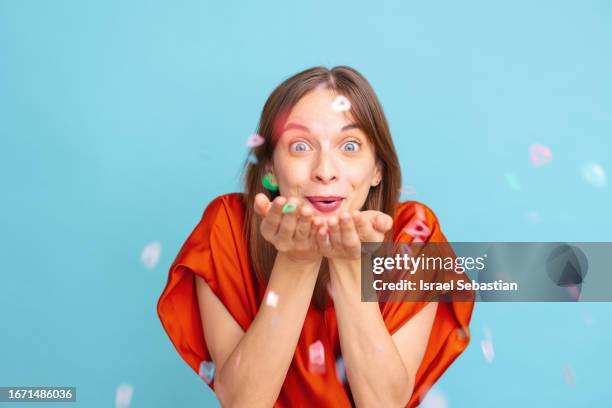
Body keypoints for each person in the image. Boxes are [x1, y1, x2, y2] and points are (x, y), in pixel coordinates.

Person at [157, 66, 474, 407]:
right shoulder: (228, 227)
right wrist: (296, 261)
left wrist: (350, 264)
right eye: (300, 146)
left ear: (378, 169)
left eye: (350, 146)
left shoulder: (415, 238)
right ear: (270, 169)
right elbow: (241, 403)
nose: (325, 171)